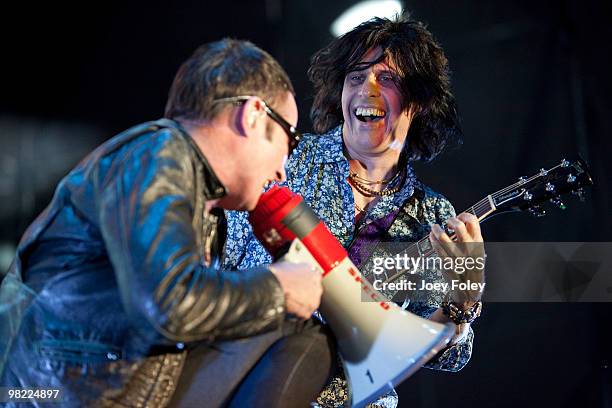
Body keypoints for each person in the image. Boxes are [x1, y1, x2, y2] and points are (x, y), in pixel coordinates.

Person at [0, 39, 336, 407]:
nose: (282, 168)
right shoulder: (160, 153)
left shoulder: (197, 193)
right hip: (58, 395)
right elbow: (167, 305)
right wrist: (277, 287)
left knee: (295, 330)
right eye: (289, 137)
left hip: (98, 387)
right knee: (302, 333)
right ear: (253, 114)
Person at [225, 16, 485, 407]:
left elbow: (448, 356)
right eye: (356, 77)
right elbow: (216, 261)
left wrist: (465, 297)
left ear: (419, 101)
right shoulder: (286, 160)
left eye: (388, 79)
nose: (367, 89)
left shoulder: (432, 215)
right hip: (254, 390)